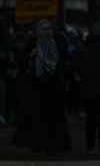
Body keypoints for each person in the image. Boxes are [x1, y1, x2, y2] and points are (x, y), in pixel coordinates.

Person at [12, 19, 72, 156]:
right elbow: (22, 62)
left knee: (53, 117)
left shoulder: (57, 45)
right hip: (37, 88)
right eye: (43, 29)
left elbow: (62, 65)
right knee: (37, 117)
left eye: (48, 28)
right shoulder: (32, 45)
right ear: (38, 31)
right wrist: (31, 56)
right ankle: (37, 145)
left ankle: (51, 146)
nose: (46, 31)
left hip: (53, 88)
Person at [75, 35, 100, 155]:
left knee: (90, 120)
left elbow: (80, 73)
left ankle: (90, 145)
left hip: (89, 91)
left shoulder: (85, 57)